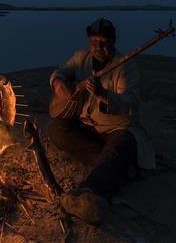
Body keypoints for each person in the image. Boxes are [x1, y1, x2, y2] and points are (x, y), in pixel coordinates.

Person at [48, 17, 156, 224]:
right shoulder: (81, 57)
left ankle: (89, 194)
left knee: (123, 144)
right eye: (94, 41)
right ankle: (118, 165)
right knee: (56, 129)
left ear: (113, 41)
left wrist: (103, 95)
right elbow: (61, 72)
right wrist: (58, 83)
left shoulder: (125, 67)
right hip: (88, 126)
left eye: (103, 42)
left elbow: (131, 104)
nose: (98, 47)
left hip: (118, 129)